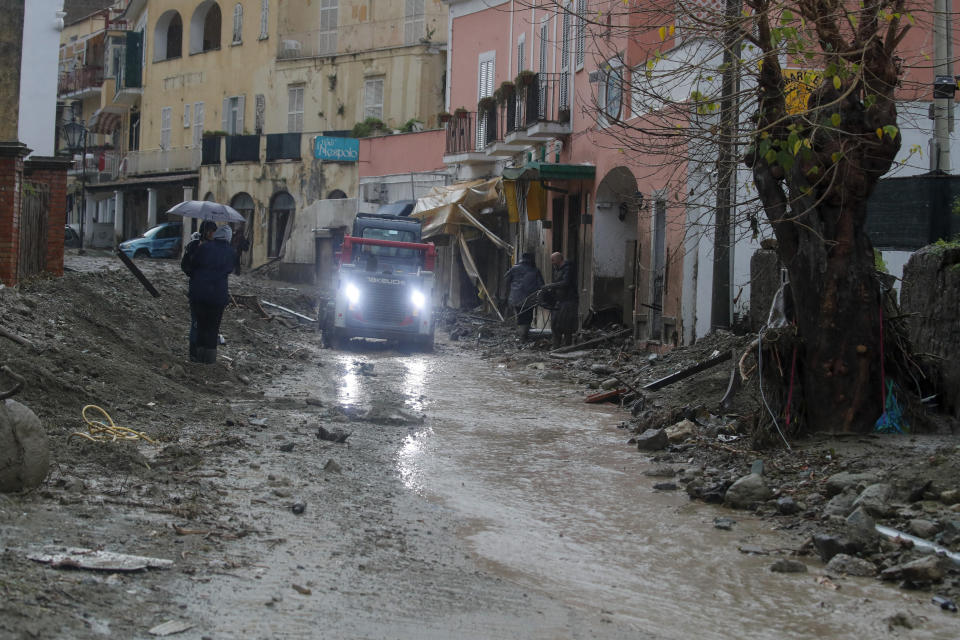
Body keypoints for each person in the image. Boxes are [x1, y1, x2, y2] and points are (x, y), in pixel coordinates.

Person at [184, 223, 236, 364]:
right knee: (213, 328)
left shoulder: (204, 247)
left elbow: (191, 266)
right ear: (228, 237)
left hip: (199, 294)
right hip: (218, 296)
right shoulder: (231, 251)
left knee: (200, 326)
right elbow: (230, 269)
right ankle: (210, 360)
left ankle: (198, 358)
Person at [182, 220, 217, 361]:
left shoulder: (214, 247)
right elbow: (186, 267)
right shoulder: (194, 246)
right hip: (197, 292)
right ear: (207, 231)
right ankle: (193, 353)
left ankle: (204, 354)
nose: (213, 234)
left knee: (207, 324)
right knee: (196, 323)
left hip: (211, 292)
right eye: (212, 231)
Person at [502, 252, 544, 342]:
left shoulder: (514, 269)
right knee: (528, 316)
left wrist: (507, 294)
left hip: (516, 298)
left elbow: (506, 279)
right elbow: (541, 285)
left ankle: (522, 336)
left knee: (520, 316)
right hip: (531, 298)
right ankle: (524, 335)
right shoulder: (535, 270)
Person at [548, 251, 578, 348]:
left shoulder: (568, 268)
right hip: (559, 300)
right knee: (555, 323)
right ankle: (556, 345)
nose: (552, 262)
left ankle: (567, 345)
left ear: (559, 259)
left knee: (566, 324)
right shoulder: (556, 269)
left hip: (569, 300)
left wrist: (551, 285)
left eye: (553, 260)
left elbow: (565, 282)